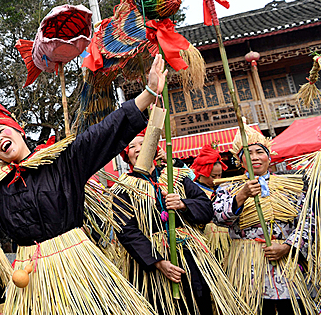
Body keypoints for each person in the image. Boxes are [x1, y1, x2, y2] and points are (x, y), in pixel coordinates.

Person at [0, 55, 172, 315]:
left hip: (77, 265)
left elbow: (105, 131)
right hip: (32, 276)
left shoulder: (63, 160)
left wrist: (149, 93)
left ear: (19, 130)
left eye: (1, 131)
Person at [112, 132, 246, 315]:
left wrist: (183, 204)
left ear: (154, 148)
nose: (139, 149)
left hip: (189, 255)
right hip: (153, 261)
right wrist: (158, 262)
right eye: (132, 147)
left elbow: (206, 208)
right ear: (126, 155)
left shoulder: (176, 177)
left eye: (143, 143)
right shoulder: (122, 188)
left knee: (199, 301)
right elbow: (126, 231)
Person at [212, 123, 313, 314]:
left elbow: (308, 221)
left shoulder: (292, 185)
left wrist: (287, 247)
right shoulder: (227, 188)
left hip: (286, 265)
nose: (255, 157)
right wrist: (241, 196)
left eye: (260, 151)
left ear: (269, 155)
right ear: (240, 161)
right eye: (248, 153)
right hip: (247, 267)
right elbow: (218, 218)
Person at [190, 143, 231, 263]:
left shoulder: (224, 189)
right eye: (214, 176)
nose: (217, 179)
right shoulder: (194, 190)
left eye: (220, 175)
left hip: (226, 235)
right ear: (203, 173)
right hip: (205, 238)